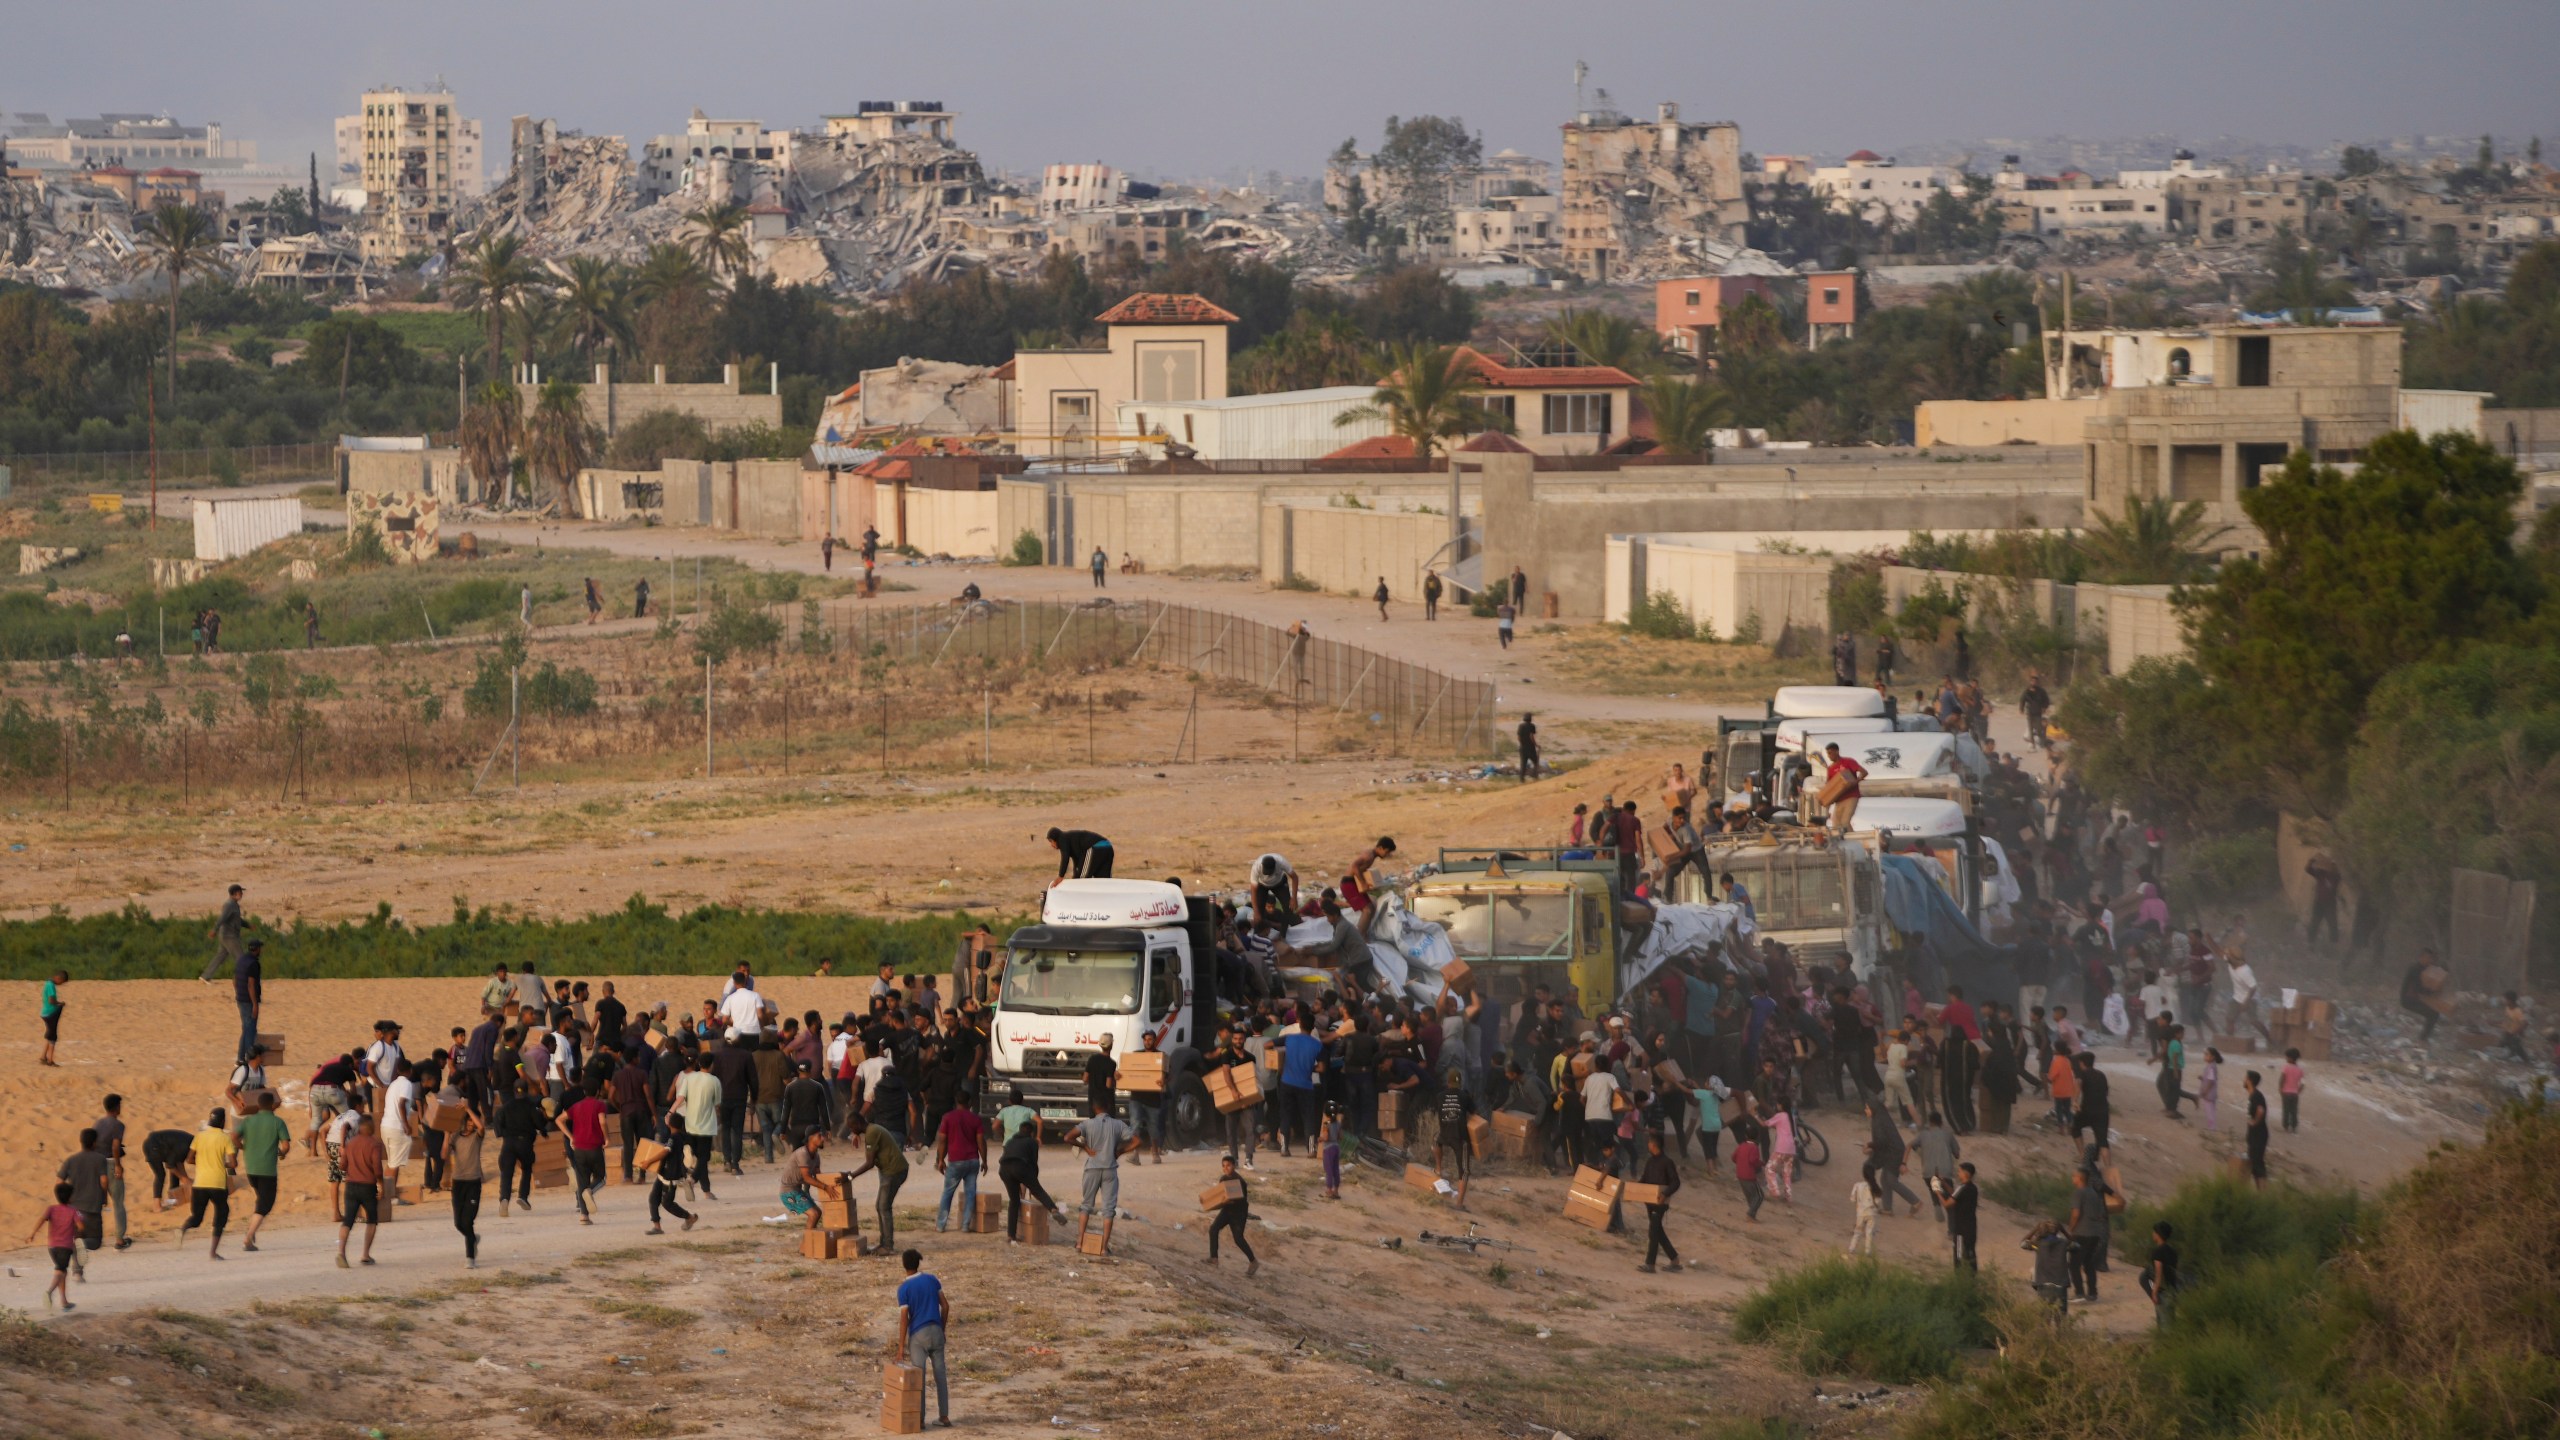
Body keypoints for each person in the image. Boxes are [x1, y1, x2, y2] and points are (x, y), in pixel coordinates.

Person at [993, 1088, 1064, 1243]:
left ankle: (1011, 1235)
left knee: (1014, 1201)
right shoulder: (1031, 1141)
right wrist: (1033, 1181)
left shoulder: (1010, 1140)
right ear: (1030, 1133)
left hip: (1004, 1168)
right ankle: (1052, 1208)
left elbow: (995, 1126)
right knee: (1037, 1189)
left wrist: (1001, 1134)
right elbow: (1033, 1163)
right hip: (1021, 1165)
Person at [896, 1249, 953, 1428]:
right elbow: (945, 1306)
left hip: (918, 1335)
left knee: (918, 1378)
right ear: (918, 1263)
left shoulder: (903, 1289)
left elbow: (904, 1319)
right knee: (940, 1376)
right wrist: (941, 1329)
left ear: (904, 1265)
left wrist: (900, 1348)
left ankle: (919, 1420)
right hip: (936, 1330)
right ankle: (944, 1416)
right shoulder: (931, 1280)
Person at [845, 1117, 910, 1253]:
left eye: (852, 1128)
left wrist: (851, 1176)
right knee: (880, 1206)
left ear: (858, 1124)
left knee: (883, 1207)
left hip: (893, 1171)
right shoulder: (872, 1129)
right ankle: (884, 1243)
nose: (851, 1131)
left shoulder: (872, 1133)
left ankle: (887, 1246)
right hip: (892, 1170)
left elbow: (870, 1163)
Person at [177, 1108, 236, 1260]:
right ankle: (213, 1252)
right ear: (222, 1121)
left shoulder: (199, 1136)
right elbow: (233, 1163)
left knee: (196, 1218)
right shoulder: (225, 1138)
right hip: (217, 1183)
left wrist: (203, 1162)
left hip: (200, 1184)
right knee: (221, 1215)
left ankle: (183, 1228)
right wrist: (223, 1164)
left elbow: (189, 1159)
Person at [235, 1091, 291, 1252]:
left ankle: (251, 1230)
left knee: (261, 1199)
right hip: (267, 1169)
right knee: (266, 1204)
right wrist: (282, 1153)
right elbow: (286, 1145)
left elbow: (233, 1136)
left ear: (258, 1105)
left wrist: (242, 1147)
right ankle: (248, 1237)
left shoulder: (248, 1121)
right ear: (273, 1105)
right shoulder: (277, 1122)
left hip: (251, 1167)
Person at [1071, 1097, 1137, 1226]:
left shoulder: (1087, 1124)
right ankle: (1104, 1246)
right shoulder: (1119, 1124)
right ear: (1107, 1108)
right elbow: (1137, 1141)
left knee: (1086, 1206)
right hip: (1110, 1169)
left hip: (1092, 1168)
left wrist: (1085, 1147)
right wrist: (1120, 1152)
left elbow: (1068, 1137)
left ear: (1094, 1109)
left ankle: (1079, 1243)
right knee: (1108, 1210)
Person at [336, 1113, 387, 1268]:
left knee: (348, 1220)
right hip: (367, 1186)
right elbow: (377, 1168)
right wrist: (380, 1184)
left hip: (351, 1185)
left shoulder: (350, 1143)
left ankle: (341, 1252)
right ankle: (365, 1254)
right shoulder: (374, 1144)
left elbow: (342, 1165)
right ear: (371, 1127)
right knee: (371, 1219)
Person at [933, 1090, 986, 1232]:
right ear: (969, 1103)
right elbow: (981, 1142)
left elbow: (942, 1140)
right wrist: (984, 1161)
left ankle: (940, 1225)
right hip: (973, 1160)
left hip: (955, 1161)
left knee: (948, 1193)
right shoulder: (975, 1119)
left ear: (956, 1102)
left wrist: (940, 1160)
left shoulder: (948, 1118)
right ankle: (965, 1226)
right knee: (970, 1193)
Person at [1635, 1131, 1683, 1272]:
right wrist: (1635, 1188)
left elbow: (1676, 1182)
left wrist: (1665, 1194)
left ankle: (1650, 1264)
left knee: (1653, 1232)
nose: (1648, 1144)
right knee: (1658, 1231)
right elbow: (1644, 1179)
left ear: (1654, 1145)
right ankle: (1674, 1260)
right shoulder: (1650, 1161)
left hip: (1660, 1203)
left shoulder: (1667, 1162)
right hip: (1649, 1202)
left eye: (1649, 1142)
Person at [30, 1182, 81, 1311]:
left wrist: (33, 1234)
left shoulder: (51, 1209)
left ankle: (64, 1301)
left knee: (62, 1271)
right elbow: (81, 1227)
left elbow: (41, 1220)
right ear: (70, 1197)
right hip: (65, 1246)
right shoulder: (73, 1211)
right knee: (60, 1271)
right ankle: (49, 1291)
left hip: (52, 1247)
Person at [1203, 1153, 1257, 1273]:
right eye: (1223, 1166)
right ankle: (1214, 1258)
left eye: (1228, 1165)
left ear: (1234, 1166)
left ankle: (1253, 1261)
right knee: (1213, 1229)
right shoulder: (1223, 1179)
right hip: (1227, 1210)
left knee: (1238, 1239)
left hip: (1239, 1213)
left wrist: (1228, 1200)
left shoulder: (1240, 1181)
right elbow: (1221, 1196)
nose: (1225, 1168)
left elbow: (1240, 1200)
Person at [94, 1094, 131, 1250]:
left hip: (97, 1163)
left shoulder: (98, 1123)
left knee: (96, 1203)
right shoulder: (118, 1125)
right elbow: (115, 1146)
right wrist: (118, 1165)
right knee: (118, 1202)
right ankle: (119, 1239)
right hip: (110, 1163)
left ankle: (93, 1238)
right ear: (117, 1107)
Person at [2067, 1164, 2107, 1303]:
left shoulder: (2079, 1193)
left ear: (2079, 1178)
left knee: (2074, 1264)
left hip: (2082, 1233)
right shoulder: (2094, 1193)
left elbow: (2076, 1214)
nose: (2072, 1178)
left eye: (2074, 1176)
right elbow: (2100, 1215)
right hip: (2095, 1233)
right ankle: (2092, 1293)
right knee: (2089, 1263)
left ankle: (2079, 1293)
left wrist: (2071, 1228)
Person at [202, 882, 250, 983]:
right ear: (235, 893)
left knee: (220, 956)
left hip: (226, 935)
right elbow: (222, 918)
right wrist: (214, 930)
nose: (242, 894)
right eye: (240, 892)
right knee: (240, 957)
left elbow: (237, 920)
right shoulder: (229, 905)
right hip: (229, 936)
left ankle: (206, 976)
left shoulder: (234, 905)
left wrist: (248, 925)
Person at [2400, 950, 2449, 1043]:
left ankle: (2423, 1038)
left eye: (2430, 958)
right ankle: (2422, 1039)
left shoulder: (2424, 969)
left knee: (2434, 1013)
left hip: (2416, 998)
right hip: (2409, 1000)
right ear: (2421, 957)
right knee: (2433, 1014)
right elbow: (2418, 988)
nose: (2429, 960)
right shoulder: (2415, 969)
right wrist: (2432, 992)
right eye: (2427, 958)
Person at [2140, 1220, 2181, 1328]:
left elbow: (2159, 1274)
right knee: (2170, 1322)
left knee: (2164, 1326)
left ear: (2158, 1234)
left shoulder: (2157, 1252)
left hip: (2163, 1292)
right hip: (2172, 1290)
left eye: (2154, 1232)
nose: (2152, 1234)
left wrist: (2154, 1292)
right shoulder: (2173, 1251)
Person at [232, 938, 265, 1065]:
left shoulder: (241, 960)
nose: (261, 950)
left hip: (241, 999)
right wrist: (255, 1004)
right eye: (260, 948)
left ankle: (240, 1058)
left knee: (246, 1029)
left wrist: (238, 994)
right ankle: (248, 1058)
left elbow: (234, 981)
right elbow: (251, 985)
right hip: (248, 1001)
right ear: (256, 949)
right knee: (250, 1030)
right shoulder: (253, 964)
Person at [1946, 1161, 1980, 1270]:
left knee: (1959, 1256)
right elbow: (1955, 1194)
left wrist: (1937, 1192)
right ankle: (1972, 1278)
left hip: (1961, 1229)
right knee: (1970, 1253)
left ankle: (1959, 1279)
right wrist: (1943, 1182)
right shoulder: (1973, 1188)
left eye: (1959, 1171)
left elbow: (1947, 1203)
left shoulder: (1962, 1187)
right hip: (1971, 1228)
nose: (1958, 1173)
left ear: (1966, 1173)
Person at [1048, 826, 1114, 881]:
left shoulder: (1062, 838)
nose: (1051, 845)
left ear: (1055, 838)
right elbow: (1078, 864)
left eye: (1051, 841)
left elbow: (1065, 857)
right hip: (1108, 847)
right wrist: (1075, 876)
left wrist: (1061, 876)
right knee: (1104, 881)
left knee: (1081, 880)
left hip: (1095, 848)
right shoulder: (1071, 840)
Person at [1731, 1125, 1766, 1223]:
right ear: (1757, 1137)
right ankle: (1750, 1215)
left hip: (1740, 1175)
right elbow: (1753, 1160)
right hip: (1749, 1176)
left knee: (1750, 1196)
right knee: (1759, 1196)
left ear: (1746, 1135)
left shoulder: (1741, 1145)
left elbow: (1733, 1157)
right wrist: (1761, 1163)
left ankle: (1752, 1215)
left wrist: (1741, 1162)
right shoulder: (1754, 1147)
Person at [2244, 1070, 2270, 1190]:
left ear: (2249, 1081)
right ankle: (2260, 1191)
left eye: (2245, 1078)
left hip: (2259, 1136)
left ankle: (2263, 1192)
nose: (2243, 1080)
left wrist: (2254, 1122)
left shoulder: (2256, 1095)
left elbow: (2260, 1110)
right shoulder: (2253, 1095)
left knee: (2258, 1165)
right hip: (2255, 1136)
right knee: (2254, 1165)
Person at [1848, 1163, 1880, 1256]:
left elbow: (1852, 1199)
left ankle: (1852, 1248)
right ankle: (1867, 1251)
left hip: (1860, 1212)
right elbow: (1878, 1202)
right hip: (1872, 1213)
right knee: (1869, 1232)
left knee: (1857, 1232)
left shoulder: (1858, 1185)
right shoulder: (1875, 1187)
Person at [37, 968, 67, 1066]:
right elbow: (51, 1001)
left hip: (46, 1012)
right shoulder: (51, 985)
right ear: (58, 978)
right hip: (50, 1013)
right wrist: (60, 1003)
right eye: (61, 982)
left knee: (50, 1035)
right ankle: (50, 1060)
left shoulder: (48, 983)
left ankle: (43, 1057)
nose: (60, 984)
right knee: (53, 1037)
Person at [2279, 1048, 2305, 1132]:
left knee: (2286, 1110)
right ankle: (2294, 1127)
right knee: (2294, 1111)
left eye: (2286, 1057)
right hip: (2295, 1094)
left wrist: (2280, 1088)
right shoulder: (2300, 1069)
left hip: (2286, 1093)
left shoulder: (2286, 1067)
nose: (2286, 1059)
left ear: (2290, 1058)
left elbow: (2282, 1078)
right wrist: (2298, 1091)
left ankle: (2285, 1127)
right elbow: (2303, 1083)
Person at [1516, 713, 1543, 781]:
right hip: (1530, 748)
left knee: (1523, 764)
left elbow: (1518, 737)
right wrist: (1536, 745)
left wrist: (1522, 743)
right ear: (1530, 719)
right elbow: (1531, 736)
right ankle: (1535, 776)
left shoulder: (1520, 726)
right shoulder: (1532, 726)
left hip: (1522, 747)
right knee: (1535, 762)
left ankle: (1522, 779)